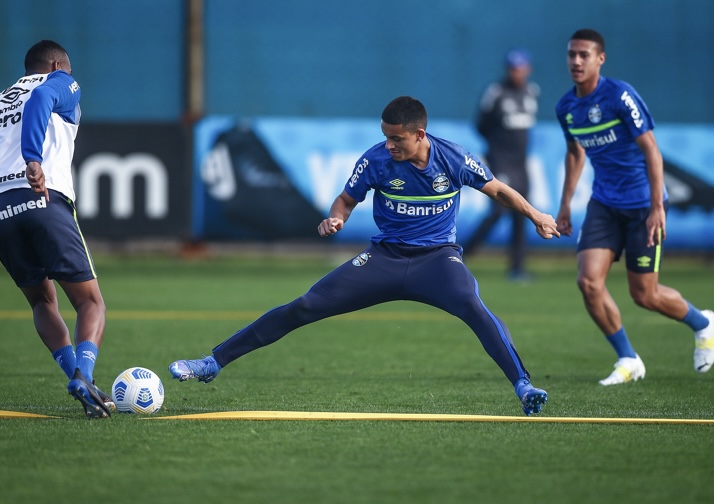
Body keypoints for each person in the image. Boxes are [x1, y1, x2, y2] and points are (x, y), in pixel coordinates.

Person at [170, 96, 561, 416]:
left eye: (397, 139)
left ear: (419, 135)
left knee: (475, 307)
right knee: (305, 305)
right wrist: (336, 219)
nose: (389, 145)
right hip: (384, 260)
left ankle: (523, 386)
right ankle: (213, 362)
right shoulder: (375, 161)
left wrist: (537, 215)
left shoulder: (453, 158)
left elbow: (499, 190)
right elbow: (345, 199)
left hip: (438, 261)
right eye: (386, 138)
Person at [554, 29, 713, 386]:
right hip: (604, 204)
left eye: (584, 55)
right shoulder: (566, 107)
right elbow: (575, 152)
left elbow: (652, 151)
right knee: (588, 282)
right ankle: (628, 358)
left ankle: (703, 323)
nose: (576, 62)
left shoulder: (620, 96)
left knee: (645, 295)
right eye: (571, 55)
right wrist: (565, 205)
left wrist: (657, 205)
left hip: (643, 205)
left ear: (600, 59)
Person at [0, 40, 113, 418]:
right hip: (43, 199)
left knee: (41, 302)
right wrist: (33, 159)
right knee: (89, 301)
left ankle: (83, 383)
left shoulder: (2, 99)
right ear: (55, 64)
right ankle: (85, 373)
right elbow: (41, 100)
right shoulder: (60, 81)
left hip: (2, 209)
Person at [462, 49, 539, 282]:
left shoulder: (532, 92)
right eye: (513, 68)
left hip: (520, 161)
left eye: (521, 68)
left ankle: (517, 267)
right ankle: (462, 256)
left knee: (522, 210)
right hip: (500, 159)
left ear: (528, 70)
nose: (517, 73)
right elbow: (480, 124)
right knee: (498, 210)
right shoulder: (496, 92)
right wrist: (497, 147)